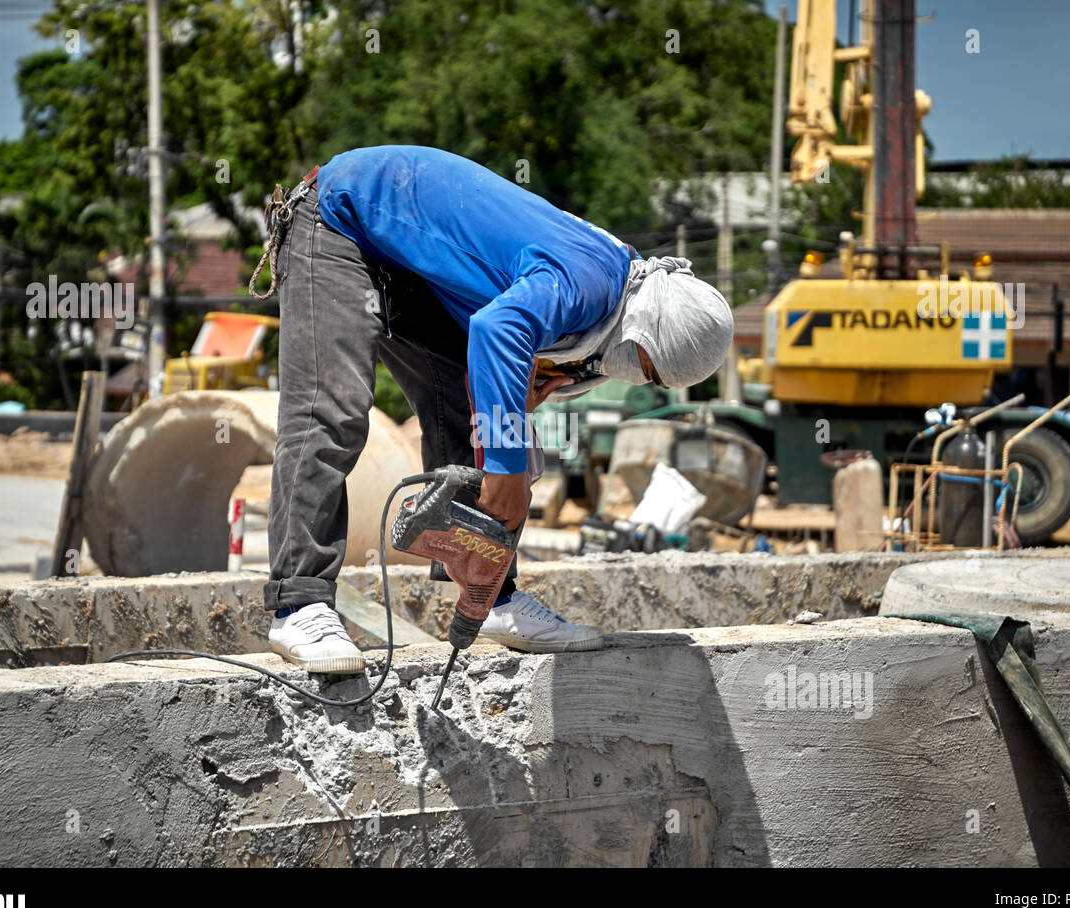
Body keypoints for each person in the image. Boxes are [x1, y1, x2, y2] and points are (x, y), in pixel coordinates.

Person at [253, 145, 733, 673]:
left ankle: (492, 599)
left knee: (465, 405)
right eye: (648, 368)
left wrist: (521, 413)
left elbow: (510, 346)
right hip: (341, 219)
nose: (638, 377)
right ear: (646, 329)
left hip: (407, 256)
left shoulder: (617, 287)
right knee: (332, 408)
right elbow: (496, 330)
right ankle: (298, 603)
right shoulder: (590, 283)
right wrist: (504, 471)